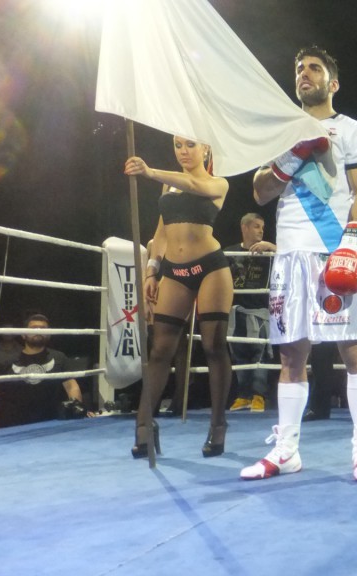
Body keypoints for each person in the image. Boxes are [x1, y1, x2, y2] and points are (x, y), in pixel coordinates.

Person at [240, 46, 357, 482]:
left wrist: (352, 246)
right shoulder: (281, 133)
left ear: (332, 83)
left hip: (333, 248)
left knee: (352, 349)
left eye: (314, 68)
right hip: (289, 254)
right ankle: (287, 450)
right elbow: (260, 192)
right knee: (290, 356)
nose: (304, 73)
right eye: (299, 68)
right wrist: (295, 151)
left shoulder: (352, 130)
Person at [125, 135, 233, 459]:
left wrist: (150, 171)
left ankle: (218, 424)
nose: (183, 151)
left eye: (190, 145)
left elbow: (192, 185)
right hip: (174, 271)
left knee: (213, 346)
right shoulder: (167, 187)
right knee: (159, 349)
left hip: (211, 268)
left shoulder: (218, 183)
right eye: (177, 145)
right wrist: (151, 271)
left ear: (206, 149)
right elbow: (160, 233)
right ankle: (144, 425)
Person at [0, 314, 95, 429]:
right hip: (16, 427)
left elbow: (71, 386)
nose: (38, 331)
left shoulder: (59, 358)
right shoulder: (8, 363)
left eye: (43, 328)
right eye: (33, 328)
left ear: (49, 334)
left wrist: (77, 411)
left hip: (51, 424)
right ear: (23, 334)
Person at [225, 213, 276, 413]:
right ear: (244, 228)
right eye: (256, 226)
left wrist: (272, 247)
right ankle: (243, 395)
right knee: (239, 356)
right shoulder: (229, 252)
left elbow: (290, 258)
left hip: (260, 311)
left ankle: (258, 396)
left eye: (262, 227)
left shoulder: (268, 253)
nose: (261, 230)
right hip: (236, 311)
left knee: (260, 354)